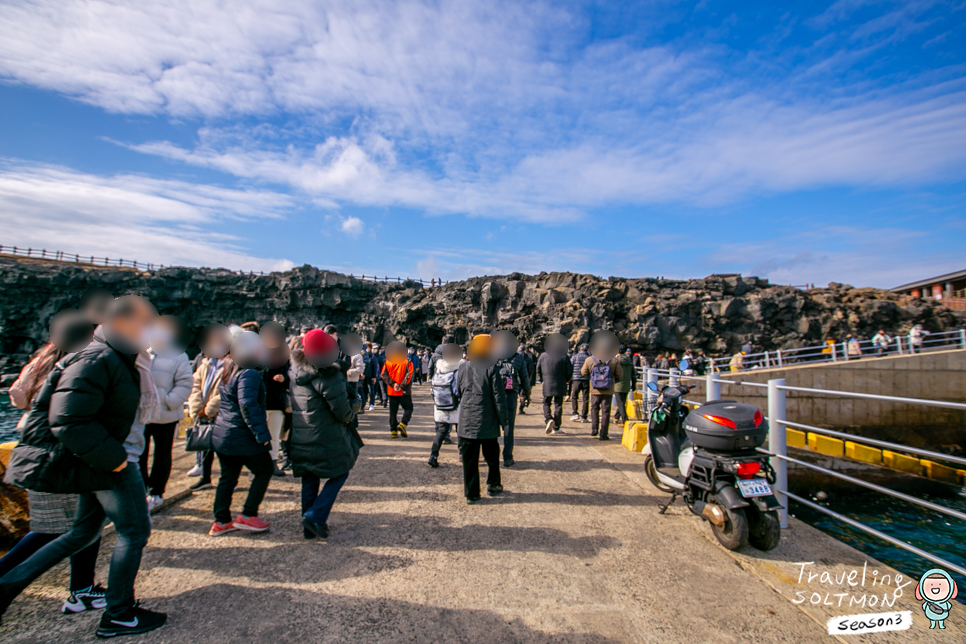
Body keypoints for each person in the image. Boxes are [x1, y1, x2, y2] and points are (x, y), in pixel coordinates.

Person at [0, 295, 167, 637]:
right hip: (113, 463)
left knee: (82, 533)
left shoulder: (116, 356)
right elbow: (68, 419)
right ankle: (120, 614)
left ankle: (6, 586)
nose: (153, 328)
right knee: (134, 532)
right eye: (146, 321)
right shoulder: (99, 357)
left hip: (105, 462)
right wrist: (117, 461)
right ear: (122, 322)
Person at [2, 342, 106, 616]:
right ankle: (81, 590)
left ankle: (82, 588)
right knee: (71, 527)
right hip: (61, 455)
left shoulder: (43, 359)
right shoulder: (80, 363)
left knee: (58, 527)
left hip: (32, 447)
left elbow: (16, 395)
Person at [289, 329, 360, 540]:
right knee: (340, 472)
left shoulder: (295, 373)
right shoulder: (329, 374)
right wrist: (354, 409)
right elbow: (343, 412)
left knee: (309, 478)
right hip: (326, 436)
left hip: (301, 435)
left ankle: (308, 528)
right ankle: (314, 516)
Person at [208, 331, 274, 537]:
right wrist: (262, 435)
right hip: (241, 435)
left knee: (227, 477)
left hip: (223, 433)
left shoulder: (228, 368)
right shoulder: (249, 373)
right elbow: (247, 405)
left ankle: (221, 520)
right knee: (264, 470)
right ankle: (247, 514)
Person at [140, 328, 193, 511]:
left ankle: (156, 491)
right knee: (139, 453)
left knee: (162, 453)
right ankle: (140, 490)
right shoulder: (141, 353)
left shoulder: (178, 356)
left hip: (166, 414)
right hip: (141, 413)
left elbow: (185, 382)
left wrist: (169, 401)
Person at [457, 335, 508, 504]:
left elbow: (458, 391)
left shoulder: (463, 368)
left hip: (466, 420)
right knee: (492, 457)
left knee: (469, 460)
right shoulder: (492, 368)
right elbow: (499, 398)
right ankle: (493, 484)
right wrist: (504, 421)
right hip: (487, 421)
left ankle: (472, 493)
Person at [186, 327, 228, 491]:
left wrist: (210, 408)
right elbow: (194, 385)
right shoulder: (205, 364)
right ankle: (206, 477)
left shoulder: (230, 364)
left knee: (223, 449)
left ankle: (227, 478)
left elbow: (227, 388)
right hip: (203, 412)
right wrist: (197, 406)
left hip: (220, 412)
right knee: (205, 447)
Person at [494, 331, 528, 467]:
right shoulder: (518, 357)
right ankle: (507, 457)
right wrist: (526, 393)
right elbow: (524, 377)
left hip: (495, 395)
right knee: (508, 427)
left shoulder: (493, 354)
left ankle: (491, 455)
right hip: (510, 394)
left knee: (493, 426)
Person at [581, 335, 623, 440]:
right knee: (606, 411)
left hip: (595, 389)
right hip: (608, 390)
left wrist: (593, 377)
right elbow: (619, 373)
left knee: (594, 409)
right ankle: (603, 434)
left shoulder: (590, 360)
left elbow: (583, 372)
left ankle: (594, 429)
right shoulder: (613, 360)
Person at [428, 343, 464, 468]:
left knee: (441, 431)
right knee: (460, 431)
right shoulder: (460, 368)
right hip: (456, 405)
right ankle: (462, 454)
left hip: (441, 405)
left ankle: (433, 455)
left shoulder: (440, 368)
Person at [263, 345, 290, 476]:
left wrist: (284, 379)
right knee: (261, 436)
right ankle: (261, 464)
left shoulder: (283, 361)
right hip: (261, 403)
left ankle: (273, 462)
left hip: (276, 403)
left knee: (274, 436)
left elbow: (291, 379)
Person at [536, 335, 571, 435]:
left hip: (547, 383)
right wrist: (567, 379)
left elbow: (538, 369)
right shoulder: (564, 356)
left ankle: (548, 419)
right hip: (560, 384)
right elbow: (569, 370)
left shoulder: (543, 356)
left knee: (546, 403)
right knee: (558, 405)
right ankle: (556, 427)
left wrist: (542, 379)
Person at [381, 341, 414, 438]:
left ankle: (393, 430)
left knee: (393, 411)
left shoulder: (388, 362)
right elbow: (409, 375)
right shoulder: (407, 362)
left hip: (392, 391)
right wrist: (401, 385)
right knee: (408, 408)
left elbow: (383, 374)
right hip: (404, 391)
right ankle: (403, 423)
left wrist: (392, 384)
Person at [569, 343, 591, 422]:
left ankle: (575, 413)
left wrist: (569, 378)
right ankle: (584, 416)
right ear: (588, 350)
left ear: (580, 349)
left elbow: (570, 367)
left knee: (574, 396)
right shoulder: (590, 358)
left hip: (576, 379)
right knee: (585, 398)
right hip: (586, 379)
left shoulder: (575, 357)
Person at [613, 347, 634, 423]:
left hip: (617, 385)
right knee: (622, 402)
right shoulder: (629, 361)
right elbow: (633, 375)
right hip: (626, 385)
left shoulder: (616, 361)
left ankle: (625, 419)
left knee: (620, 403)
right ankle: (616, 417)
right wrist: (634, 385)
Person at [517, 344, 535, 414]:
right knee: (522, 395)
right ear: (525, 350)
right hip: (524, 379)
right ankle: (520, 409)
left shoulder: (515, 357)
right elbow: (531, 369)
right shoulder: (528, 359)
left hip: (515, 380)